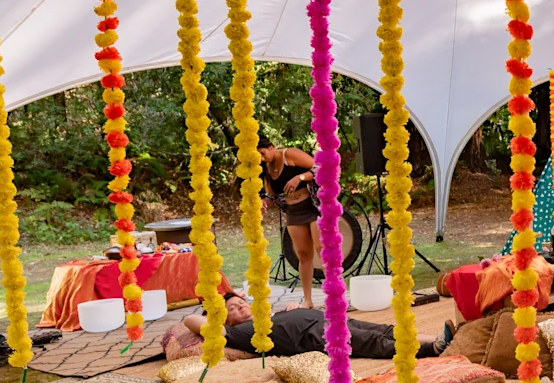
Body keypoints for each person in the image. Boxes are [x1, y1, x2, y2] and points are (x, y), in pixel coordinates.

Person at [162, 290, 454, 362]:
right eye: (234, 310)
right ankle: (432, 349)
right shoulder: (236, 333)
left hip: (324, 320)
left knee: (384, 330)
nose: (241, 307)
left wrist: (294, 310)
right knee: (373, 342)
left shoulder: (266, 314)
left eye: (241, 302)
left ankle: (441, 340)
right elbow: (190, 320)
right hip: (312, 336)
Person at [263, 146, 321, 308]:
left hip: (313, 207)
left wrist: (300, 178)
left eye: (262, 153)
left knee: (322, 249)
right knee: (303, 254)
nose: (261, 158)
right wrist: (265, 202)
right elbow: (272, 195)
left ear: (270, 147)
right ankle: (308, 300)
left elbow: (319, 168)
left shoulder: (289, 154)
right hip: (294, 212)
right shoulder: (266, 168)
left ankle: (335, 297)